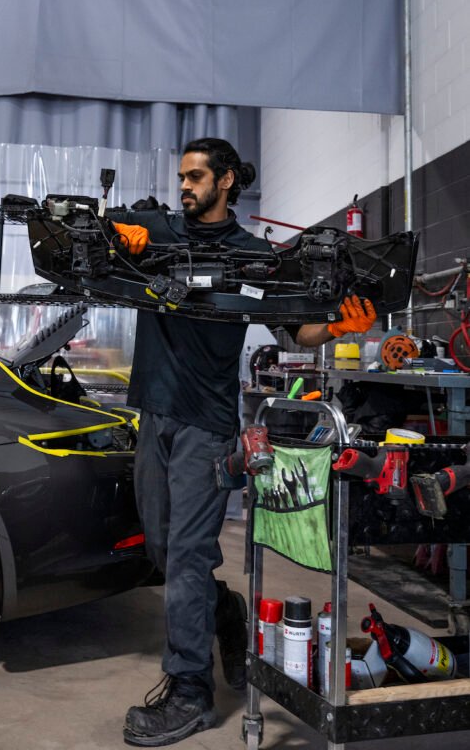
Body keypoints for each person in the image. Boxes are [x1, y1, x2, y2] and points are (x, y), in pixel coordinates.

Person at [109, 137, 376, 748]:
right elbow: (99, 241)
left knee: (186, 556)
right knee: (161, 547)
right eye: (181, 176)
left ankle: (190, 691)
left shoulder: (254, 254)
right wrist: (119, 236)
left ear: (226, 182)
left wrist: (338, 321)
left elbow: (298, 328)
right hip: (153, 413)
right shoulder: (158, 230)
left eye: (197, 176)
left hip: (206, 423)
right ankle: (223, 611)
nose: (185, 185)